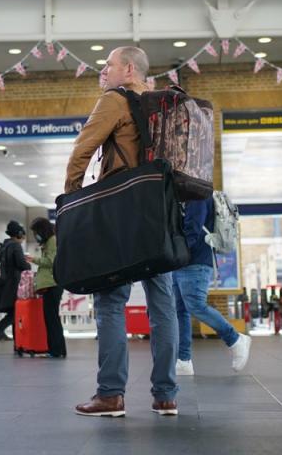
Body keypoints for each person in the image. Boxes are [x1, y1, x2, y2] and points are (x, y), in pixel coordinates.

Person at [64, 46, 180, 418]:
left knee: (111, 300)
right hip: (160, 213)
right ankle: (165, 395)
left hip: (123, 213)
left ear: (128, 69)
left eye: (108, 65)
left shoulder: (114, 100)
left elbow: (82, 150)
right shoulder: (166, 105)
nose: (104, 71)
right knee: (162, 304)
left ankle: (111, 394)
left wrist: (71, 201)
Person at [173, 197, 251, 377]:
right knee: (181, 310)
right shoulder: (184, 191)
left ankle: (236, 339)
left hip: (194, 260)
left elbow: (193, 228)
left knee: (196, 306)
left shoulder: (197, 192)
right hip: (180, 261)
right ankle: (183, 360)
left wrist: (177, 252)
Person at [0, 220, 31, 354]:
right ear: (19, 234)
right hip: (12, 287)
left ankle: (17, 345)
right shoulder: (15, 246)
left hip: (4, 287)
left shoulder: (5, 246)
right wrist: (28, 264)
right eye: (23, 234)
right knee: (15, 314)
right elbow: (21, 264)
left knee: (14, 314)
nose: (24, 238)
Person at [29, 217, 66, 358]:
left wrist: (34, 259)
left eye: (36, 232)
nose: (35, 235)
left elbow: (51, 261)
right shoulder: (51, 241)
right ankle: (57, 350)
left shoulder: (52, 241)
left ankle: (56, 351)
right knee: (51, 318)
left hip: (52, 284)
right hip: (51, 284)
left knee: (51, 319)